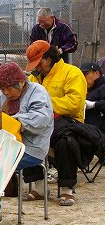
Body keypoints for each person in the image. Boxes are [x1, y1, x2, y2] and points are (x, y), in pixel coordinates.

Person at [0, 62, 54, 217]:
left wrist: (11, 121)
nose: (6, 92)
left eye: (9, 88)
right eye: (2, 89)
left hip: (31, 148)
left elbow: (41, 119)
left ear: (21, 82)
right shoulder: (3, 94)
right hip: (7, 146)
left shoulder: (38, 92)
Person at [27, 40, 87, 205]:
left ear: (48, 59)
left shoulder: (72, 73)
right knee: (25, 135)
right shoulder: (33, 78)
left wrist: (44, 104)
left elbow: (75, 103)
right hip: (42, 122)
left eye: (38, 63)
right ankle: (39, 185)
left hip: (69, 122)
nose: (36, 68)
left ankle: (67, 188)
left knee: (65, 141)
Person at [82, 62, 105, 132]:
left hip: (100, 132)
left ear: (97, 74)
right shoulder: (86, 89)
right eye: (82, 75)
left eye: (86, 73)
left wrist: (94, 104)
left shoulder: (103, 87)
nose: (84, 78)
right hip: (88, 131)